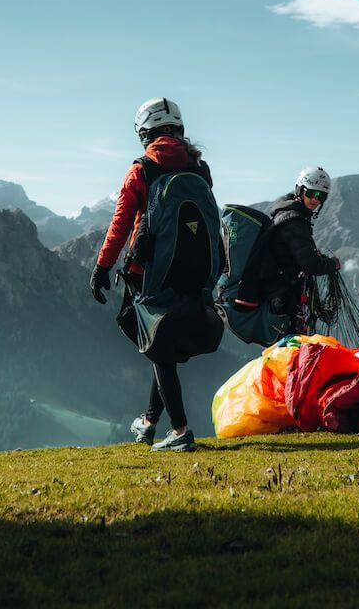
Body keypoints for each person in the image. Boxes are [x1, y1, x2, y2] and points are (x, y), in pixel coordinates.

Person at [90, 97, 211, 453]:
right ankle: (148, 423)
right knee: (161, 348)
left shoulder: (142, 169)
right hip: (191, 274)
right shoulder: (199, 168)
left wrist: (102, 267)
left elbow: (121, 224)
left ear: (145, 133)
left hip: (149, 272)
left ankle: (180, 429)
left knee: (156, 347)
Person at [255, 167, 341, 335]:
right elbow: (311, 264)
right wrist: (332, 264)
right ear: (300, 190)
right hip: (282, 295)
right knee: (290, 345)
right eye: (311, 193)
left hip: (277, 293)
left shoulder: (288, 215)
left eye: (321, 196)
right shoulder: (294, 221)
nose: (316, 200)